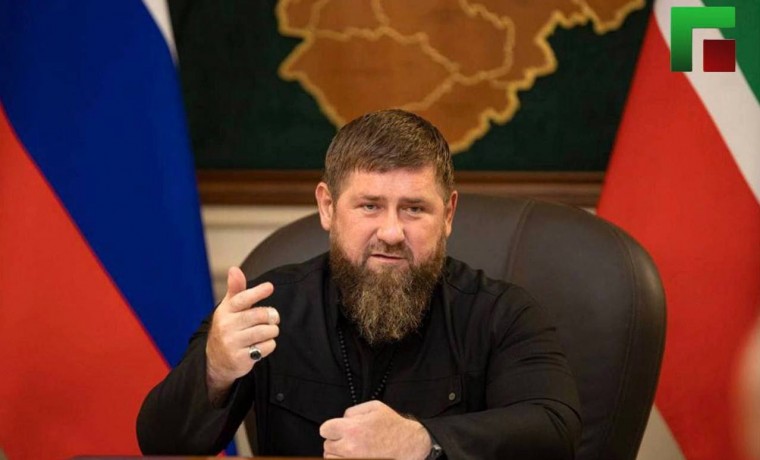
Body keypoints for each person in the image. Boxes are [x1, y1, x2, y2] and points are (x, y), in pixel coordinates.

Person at [137, 109, 582, 459]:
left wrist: (423, 441)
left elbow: (555, 429)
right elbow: (160, 445)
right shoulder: (270, 306)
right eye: (370, 206)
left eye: (414, 209)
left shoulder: (502, 313)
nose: (391, 232)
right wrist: (214, 370)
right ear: (328, 207)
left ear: (447, 214)